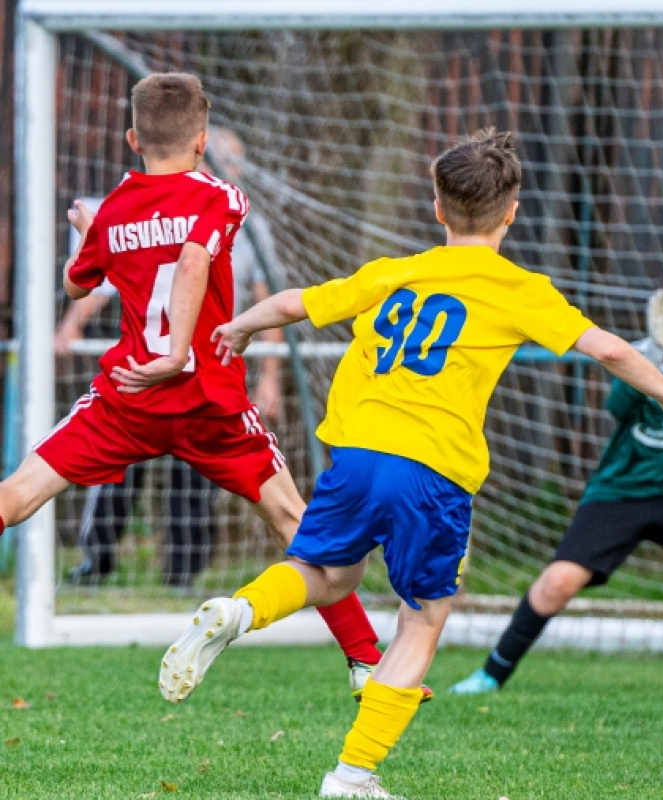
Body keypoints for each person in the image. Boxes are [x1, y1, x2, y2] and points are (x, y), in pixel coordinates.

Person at [154, 130, 663, 799]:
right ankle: (353, 776)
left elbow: (294, 304)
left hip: (356, 451)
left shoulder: (396, 272)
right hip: (430, 468)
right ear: (512, 212)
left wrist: (240, 327)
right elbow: (608, 350)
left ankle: (239, 610)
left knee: (328, 573)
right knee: (423, 618)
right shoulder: (520, 289)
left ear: (437, 207)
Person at [0, 71, 382, 691]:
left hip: (127, 397)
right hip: (208, 398)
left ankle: (366, 656)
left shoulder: (113, 209)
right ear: (202, 141)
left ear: (132, 137)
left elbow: (76, 283)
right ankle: (366, 659)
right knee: (296, 525)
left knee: (17, 495)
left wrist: (91, 238)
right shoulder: (220, 197)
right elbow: (194, 258)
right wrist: (178, 352)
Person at [448, 262, 663, 704]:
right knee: (556, 583)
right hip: (617, 495)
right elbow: (619, 404)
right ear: (657, 305)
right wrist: (655, 347)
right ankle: (490, 676)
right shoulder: (637, 355)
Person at [55, 127, 283, 586]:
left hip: (205, 377)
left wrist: (270, 377)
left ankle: (183, 575)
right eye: (220, 156)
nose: (227, 167)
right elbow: (107, 280)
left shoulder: (245, 223)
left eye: (234, 159)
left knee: (199, 485)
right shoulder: (149, 209)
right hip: (154, 370)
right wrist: (72, 322)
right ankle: (96, 562)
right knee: (114, 474)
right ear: (198, 149)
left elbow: (267, 300)